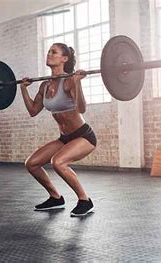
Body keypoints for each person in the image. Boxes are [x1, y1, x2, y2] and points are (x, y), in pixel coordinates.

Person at [20, 43, 97, 217]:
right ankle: (55, 197)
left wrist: (77, 84)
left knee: (58, 162)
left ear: (64, 58)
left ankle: (85, 200)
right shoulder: (44, 86)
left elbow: (82, 109)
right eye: (48, 51)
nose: (49, 54)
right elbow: (33, 111)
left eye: (54, 52)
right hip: (65, 138)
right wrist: (23, 89)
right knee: (31, 164)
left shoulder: (69, 81)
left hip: (84, 136)